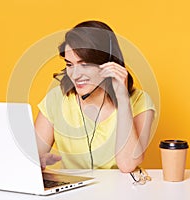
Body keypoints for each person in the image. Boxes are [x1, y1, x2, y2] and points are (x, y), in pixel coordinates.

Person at [35, 20, 155, 173]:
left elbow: (127, 164)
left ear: (109, 63)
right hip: (71, 194)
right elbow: (33, 157)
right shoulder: (56, 99)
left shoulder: (140, 102)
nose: (75, 75)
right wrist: (37, 161)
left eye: (84, 65)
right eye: (70, 65)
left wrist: (122, 98)